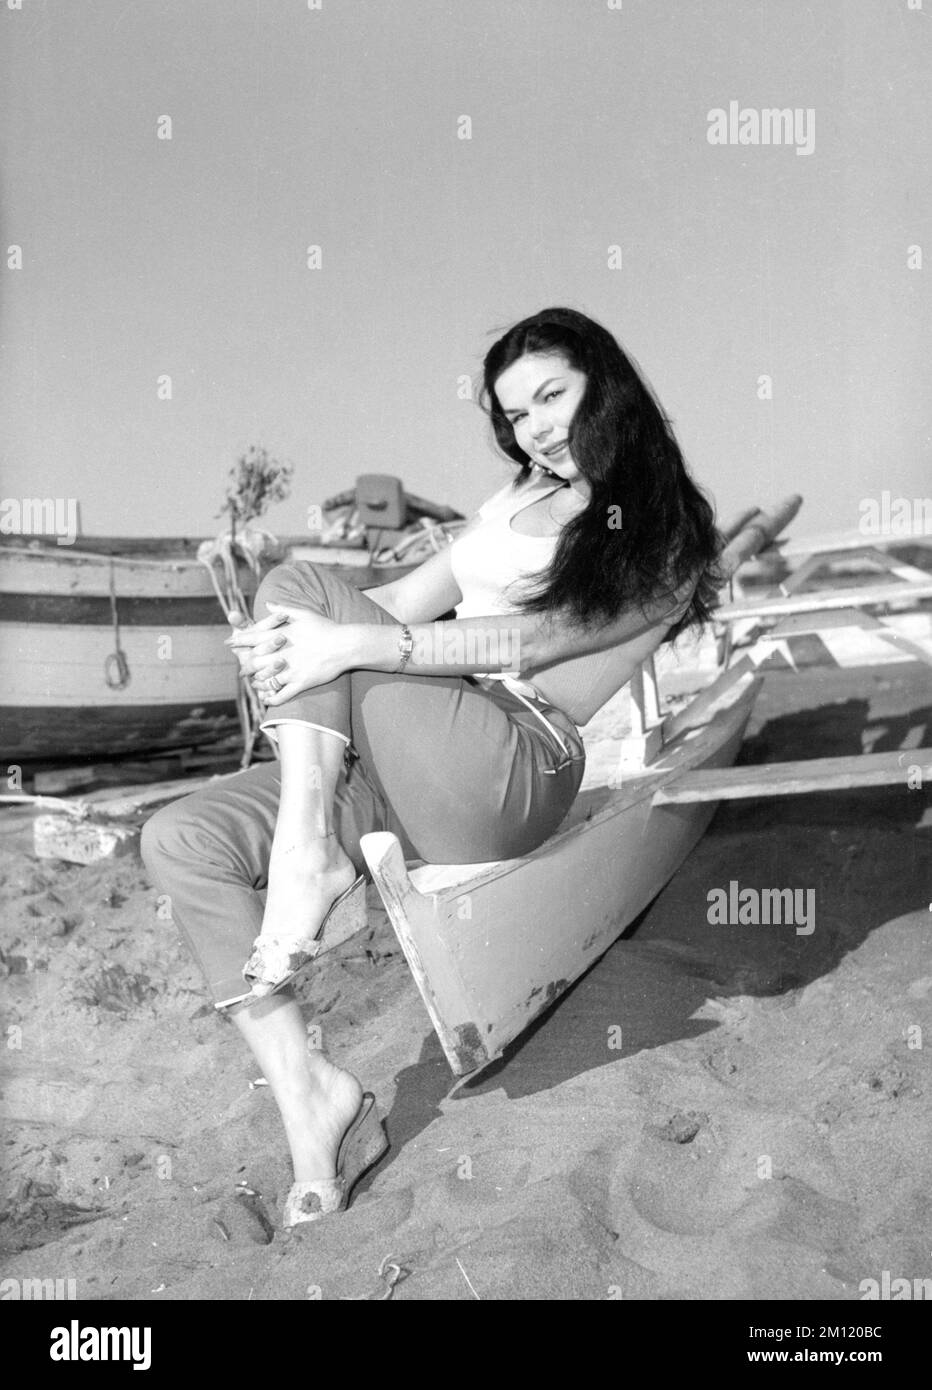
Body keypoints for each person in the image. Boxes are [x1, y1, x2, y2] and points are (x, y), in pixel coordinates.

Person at [140, 306, 723, 1228]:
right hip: (405, 752)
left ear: (604, 387)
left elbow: (527, 642)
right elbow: (402, 599)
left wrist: (341, 636)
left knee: (307, 598)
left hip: (512, 762)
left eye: (551, 396)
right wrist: (283, 641)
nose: (534, 427)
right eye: (514, 414)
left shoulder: (662, 532)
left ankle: (307, 858)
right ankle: (313, 1104)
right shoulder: (513, 503)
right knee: (181, 838)